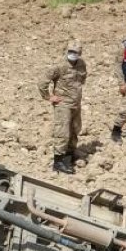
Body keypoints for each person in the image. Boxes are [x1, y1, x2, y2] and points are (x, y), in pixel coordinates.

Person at [38, 40, 87, 173]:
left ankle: (69, 155)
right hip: (63, 104)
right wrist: (49, 97)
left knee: (75, 129)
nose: (72, 54)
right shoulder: (59, 66)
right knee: (62, 132)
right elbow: (42, 82)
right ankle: (58, 161)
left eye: (75, 52)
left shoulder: (81, 64)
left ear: (80, 53)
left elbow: (82, 79)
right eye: (70, 51)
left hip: (76, 103)